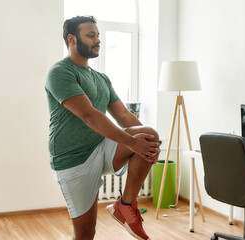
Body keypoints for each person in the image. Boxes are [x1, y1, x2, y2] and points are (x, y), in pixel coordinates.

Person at [45, 15, 162, 240]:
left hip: (100, 148)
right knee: (86, 233)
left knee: (148, 135)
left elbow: (124, 116)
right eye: (91, 35)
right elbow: (89, 116)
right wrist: (133, 144)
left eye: (98, 35)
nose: (97, 40)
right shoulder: (60, 72)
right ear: (72, 39)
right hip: (73, 159)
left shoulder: (102, 79)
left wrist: (150, 144)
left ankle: (125, 206)